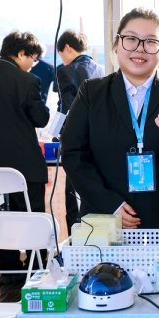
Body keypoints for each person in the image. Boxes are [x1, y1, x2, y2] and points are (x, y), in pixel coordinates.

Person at [61, 7, 159, 229]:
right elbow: (72, 154)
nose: (139, 48)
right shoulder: (91, 92)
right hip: (105, 221)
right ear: (117, 44)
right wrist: (109, 204)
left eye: (150, 41)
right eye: (131, 39)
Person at [0, 31, 49, 281]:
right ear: (21, 53)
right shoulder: (27, 81)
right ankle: (37, 267)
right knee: (32, 216)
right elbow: (41, 118)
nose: (33, 64)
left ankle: (8, 268)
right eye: (33, 58)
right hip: (25, 165)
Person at [56, 30, 104, 233]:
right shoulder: (102, 70)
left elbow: (66, 107)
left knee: (74, 199)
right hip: (102, 143)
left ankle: (75, 245)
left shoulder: (65, 71)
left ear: (67, 48)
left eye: (60, 54)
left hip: (78, 143)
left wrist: (56, 131)